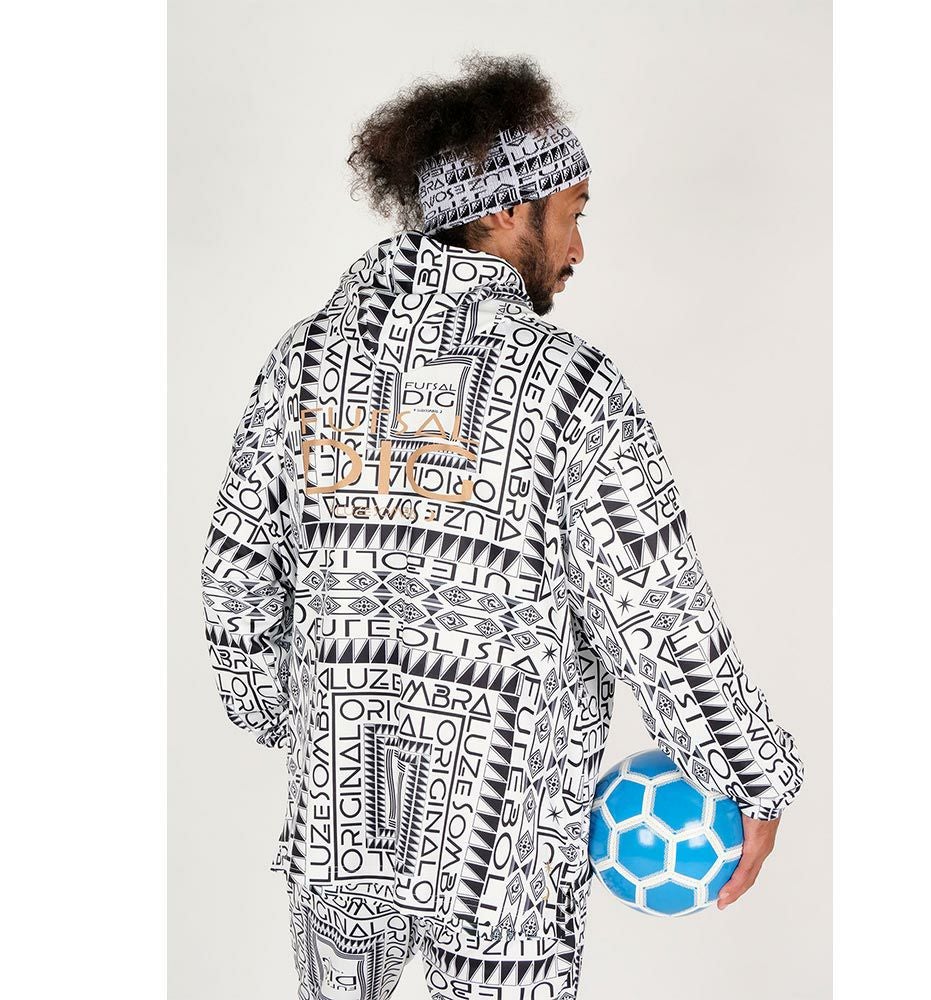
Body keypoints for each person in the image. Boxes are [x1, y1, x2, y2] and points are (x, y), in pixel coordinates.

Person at [199, 53, 805, 1000]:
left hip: (339, 833)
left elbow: (236, 570)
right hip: (505, 857)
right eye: (573, 212)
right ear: (508, 211)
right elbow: (653, 607)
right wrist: (747, 773)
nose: (578, 248)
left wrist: (290, 714)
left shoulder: (304, 364)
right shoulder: (570, 391)